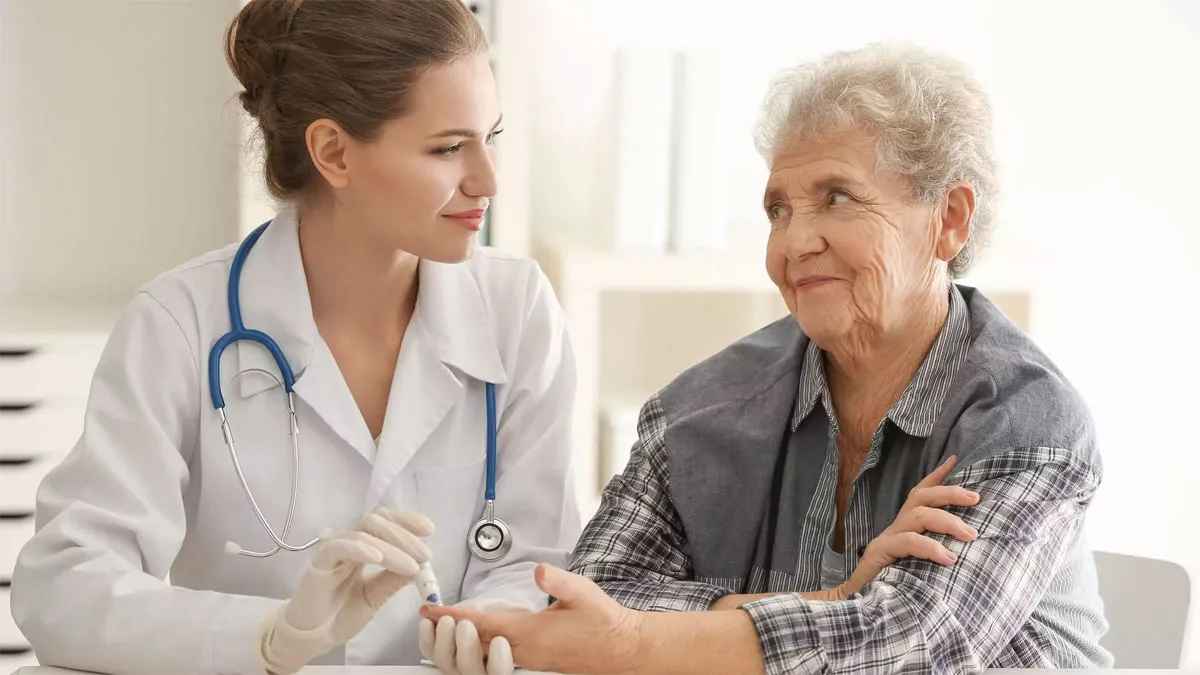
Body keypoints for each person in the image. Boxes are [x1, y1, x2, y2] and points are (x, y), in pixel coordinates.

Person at [424, 42, 1112, 674]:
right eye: (778, 209)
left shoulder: (1026, 418)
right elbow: (596, 596)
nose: (794, 242)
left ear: (950, 219)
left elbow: (918, 646)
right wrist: (840, 597)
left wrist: (642, 641)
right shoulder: (698, 410)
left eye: (836, 198)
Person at [9, 1, 580, 674]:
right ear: (333, 152)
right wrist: (270, 635)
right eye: (449, 147)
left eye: (492, 136)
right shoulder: (182, 320)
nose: (488, 179)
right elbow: (65, 589)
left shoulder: (517, 310)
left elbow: (541, 562)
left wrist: (496, 626)